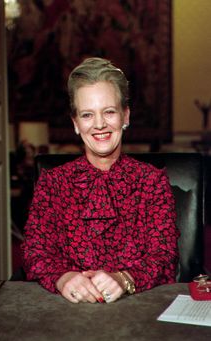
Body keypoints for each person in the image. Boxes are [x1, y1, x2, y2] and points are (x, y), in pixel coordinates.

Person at [21, 57, 179, 304]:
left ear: (125, 117)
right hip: (66, 313)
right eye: (87, 114)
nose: (99, 125)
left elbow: (165, 256)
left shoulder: (153, 181)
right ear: (75, 123)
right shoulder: (52, 183)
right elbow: (34, 252)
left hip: (139, 311)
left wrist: (125, 278)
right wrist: (63, 278)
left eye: (109, 112)